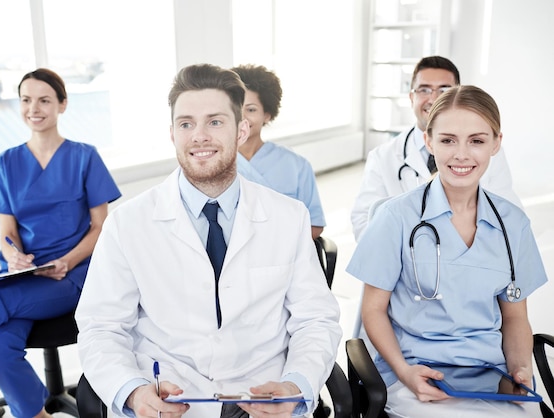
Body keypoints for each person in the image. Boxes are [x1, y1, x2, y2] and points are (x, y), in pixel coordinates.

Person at [75, 63, 342, 418]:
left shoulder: (288, 217)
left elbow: (315, 320)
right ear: (172, 133)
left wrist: (296, 385)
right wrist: (133, 391)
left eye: (215, 121)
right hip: (170, 400)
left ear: (242, 129)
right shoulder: (128, 223)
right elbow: (101, 327)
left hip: (263, 398)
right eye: (186, 124)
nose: (199, 136)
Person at [0, 68, 121, 418]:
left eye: (44, 100)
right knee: (0, 349)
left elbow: (101, 227)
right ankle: (37, 415)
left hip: (72, 274)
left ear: (62, 105)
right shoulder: (7, 162)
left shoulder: (84, 157)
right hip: (23, 275)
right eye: (26, 100)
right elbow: (7, 233)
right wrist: (14, 256)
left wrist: (66, 260)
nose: (34, 107)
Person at [346, 85, 547, 417]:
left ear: (496, 143)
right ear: (429, 141)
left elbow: (514, 317)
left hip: (489, 376)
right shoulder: (396, 217)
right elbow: (373, 311)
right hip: (413, 373)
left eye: (477, 141)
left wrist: (520, 370)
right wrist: (405, 372)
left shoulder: (514, 224)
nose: (461, 155)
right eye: (448, 140)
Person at [350, 56, 521, 241]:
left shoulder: (486, 151)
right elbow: (364, 221)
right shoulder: (383, 157)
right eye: (424, 90)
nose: (434, 98)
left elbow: (508, 215)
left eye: (444, 90)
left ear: (458, 95)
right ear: (411, 97)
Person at [231, 64, 326, 239]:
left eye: (251, 109)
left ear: (267, 114)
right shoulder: (213, 163)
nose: (241, 117)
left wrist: (278, 247)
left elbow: (315, 224)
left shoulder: (297, 165)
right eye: (235, 108)